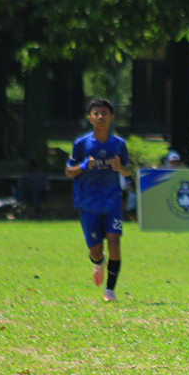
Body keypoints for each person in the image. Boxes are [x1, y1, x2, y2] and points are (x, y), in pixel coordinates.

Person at [64, 98, 132, 302]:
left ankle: (110, 291)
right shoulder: (81, 144)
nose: (100, 116)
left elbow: (128, 171)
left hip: (111, 202)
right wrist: (84, 166)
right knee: (95, 251)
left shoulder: (118, 144)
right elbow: (69, 171)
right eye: (96, 113)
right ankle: (98, 262)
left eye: (104, 113)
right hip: (88, 204)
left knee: (114, 243)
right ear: (90, 118)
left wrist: (119, 168)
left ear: (112, 117)